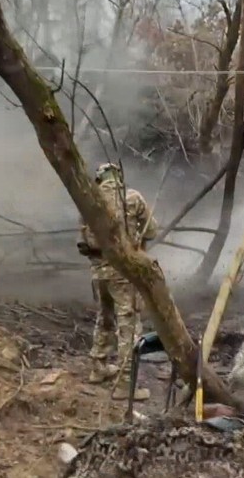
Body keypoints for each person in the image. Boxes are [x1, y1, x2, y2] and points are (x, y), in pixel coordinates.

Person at [76, 162, 159, 401]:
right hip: (123, 272)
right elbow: (152, 230)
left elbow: (84, 239)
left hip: (98, 271)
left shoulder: (87, 200)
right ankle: (125, 384)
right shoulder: (131, 197)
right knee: (129, 324)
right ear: (119, 177)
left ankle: (98, 368)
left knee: (105, 317)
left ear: (100, 179)